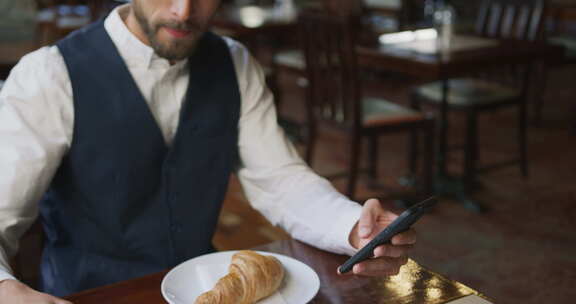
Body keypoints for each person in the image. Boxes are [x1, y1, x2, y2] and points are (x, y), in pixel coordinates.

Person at [0, 0, 417, 303]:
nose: (184, 11)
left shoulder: (234, 63)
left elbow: (280, 180)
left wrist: (354, 227)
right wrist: (7, 290)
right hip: (92, 294)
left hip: (206, 289)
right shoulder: (48, 75)